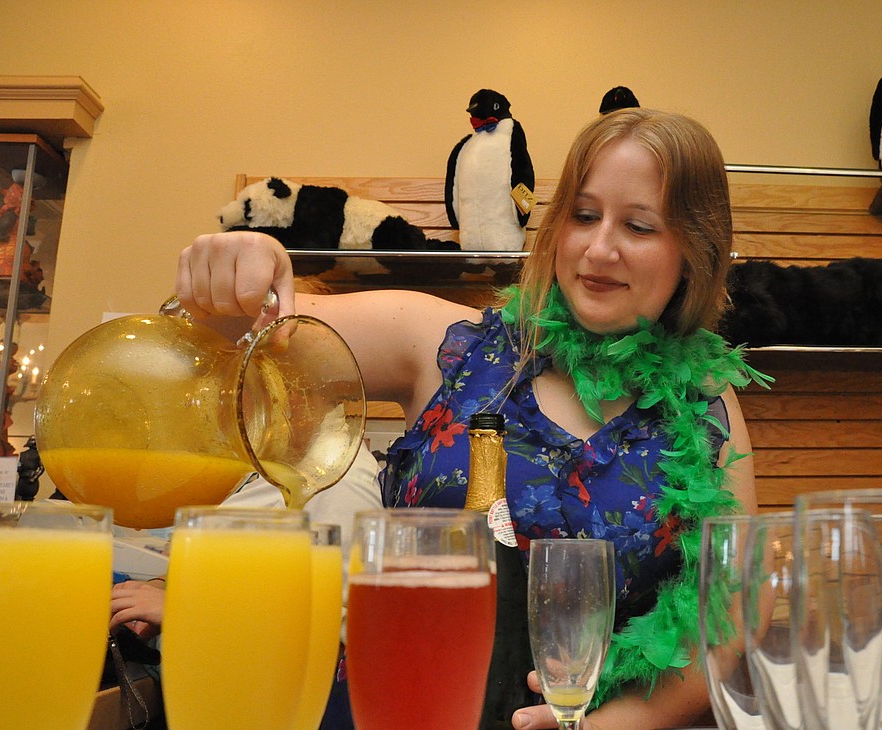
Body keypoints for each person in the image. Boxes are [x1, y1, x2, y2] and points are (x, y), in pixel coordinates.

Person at [173, 107, 765, 729]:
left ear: (693, 252)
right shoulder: (445, 343)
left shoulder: (708, 407)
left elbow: (728, 621)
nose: (598, 248)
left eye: (639, 226)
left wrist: (605, 727)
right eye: (583, 216)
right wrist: (246, 268)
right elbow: (243, 336)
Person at [109, 446, 382, 730]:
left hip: (257, 707)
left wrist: (187, 612)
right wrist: (163, 586)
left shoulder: (334, 479)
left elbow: (337, 634)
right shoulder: (270, 468)